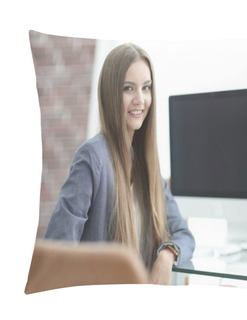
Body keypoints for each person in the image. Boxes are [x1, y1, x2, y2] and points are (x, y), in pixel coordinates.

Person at [44, 43, 195, 285]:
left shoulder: (148, 167)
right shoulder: (92, 158)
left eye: (146, 88)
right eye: (128, 88)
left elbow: (184, 235)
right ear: (110, 94)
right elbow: (57, 251)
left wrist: (167, 256)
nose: (140, 99)